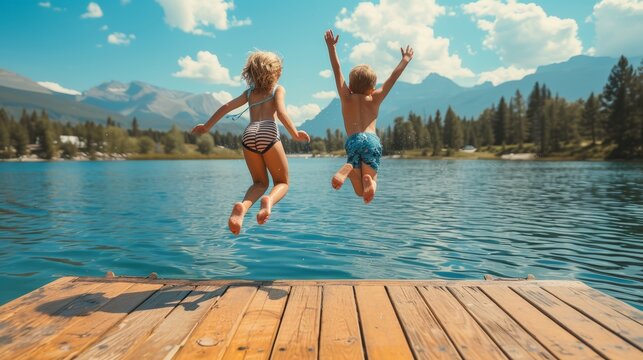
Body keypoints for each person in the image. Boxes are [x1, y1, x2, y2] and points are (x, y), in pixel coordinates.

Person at [192, 51, 310, 235]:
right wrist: (295, 133)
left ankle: (242, 209)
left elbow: (225, 107)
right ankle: (268, 201)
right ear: (276, 73)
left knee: (259, 182)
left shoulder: (249, 93)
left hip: (249, 134)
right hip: (268, 131)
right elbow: (280, 112)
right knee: (282, 182)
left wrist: (207, 126)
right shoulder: (278, 89)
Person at [324, 29, 413, 203]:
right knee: (366, 186)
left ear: (349, 85)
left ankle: (349, 169)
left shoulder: (346, 97)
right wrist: (405, 59)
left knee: (358, 191)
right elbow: (392, 79)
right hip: (371, 140)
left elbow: (337, 69)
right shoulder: (374, 98)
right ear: (372, 88)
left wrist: (331, 47)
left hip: (353, 140)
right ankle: (370, 182)